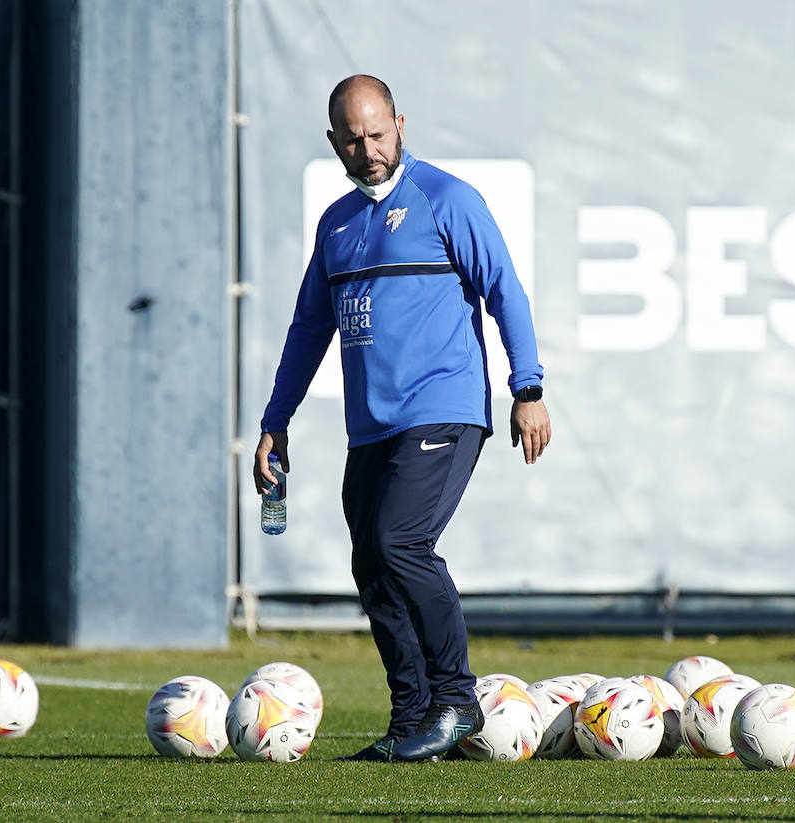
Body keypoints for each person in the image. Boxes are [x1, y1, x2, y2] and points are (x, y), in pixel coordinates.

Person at [253, 74, 551, 762]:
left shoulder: (448, 200)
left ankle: (455, 698)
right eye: (353, 139)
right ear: (335, 141)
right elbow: (308, 328)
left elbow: (505, 289)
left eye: (378, 134)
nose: (368, 149)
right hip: (373, 425)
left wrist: (526, 386)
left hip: (445, 409)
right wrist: (277, 421)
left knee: (399, 542)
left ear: (401, 125)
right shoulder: (337, 224)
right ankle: (413, 716)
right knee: (371, 562)